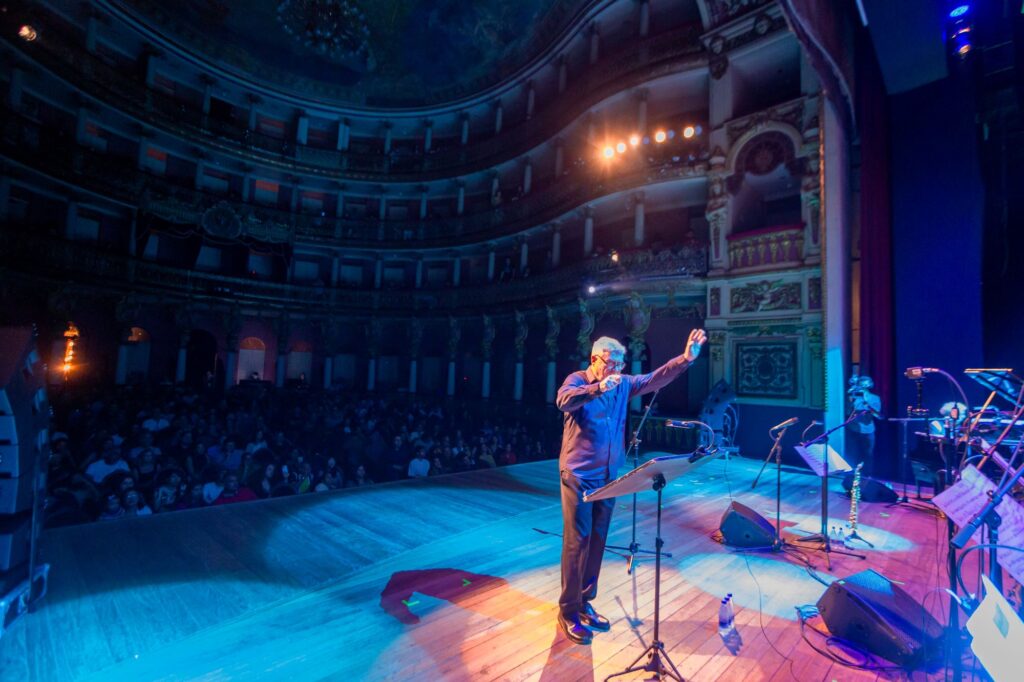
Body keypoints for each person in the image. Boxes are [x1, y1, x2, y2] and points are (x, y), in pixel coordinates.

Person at [554, 328, 706, 645]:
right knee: (576, 543)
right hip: (579, 475)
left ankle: (585, 602)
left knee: (597, 541)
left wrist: (685, 359)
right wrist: (596, 388)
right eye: (613, 363)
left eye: (622, 365)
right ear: (596, 359)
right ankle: (567, 611)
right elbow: (563, 401)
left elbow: (654, 378)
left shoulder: (623, 384)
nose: (619, 370)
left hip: (610, 474)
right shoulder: (579, 380)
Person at [847, 374, 882, 474]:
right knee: (853, 454)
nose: (862, 388)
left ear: (869, 386)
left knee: (868, 455)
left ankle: (868, 476)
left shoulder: (875, 398)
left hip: (868, 430)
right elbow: (848, 412)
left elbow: (878, 415)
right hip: (854, 429)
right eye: (860, 385)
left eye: (864, 386)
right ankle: (853, 476)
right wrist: (850, 399)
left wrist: (867, 402)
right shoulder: (854, 397)